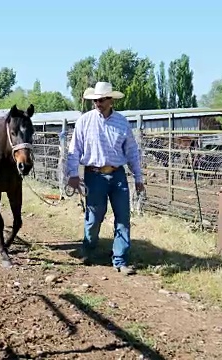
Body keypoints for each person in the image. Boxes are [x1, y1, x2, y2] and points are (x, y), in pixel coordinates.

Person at [66, 81, 145, 276]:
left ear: (110, 100)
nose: (97, 103)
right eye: (95, 100)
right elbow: (74, 149)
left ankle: (120, 260)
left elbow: (132, 151)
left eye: (101, 100)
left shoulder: (122, 122)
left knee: (123, 218)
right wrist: (73, 174)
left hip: (118, 175)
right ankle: (89, 248)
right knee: (94, 218)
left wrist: (138, 177)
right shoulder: (84, 121)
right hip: (94, 175)